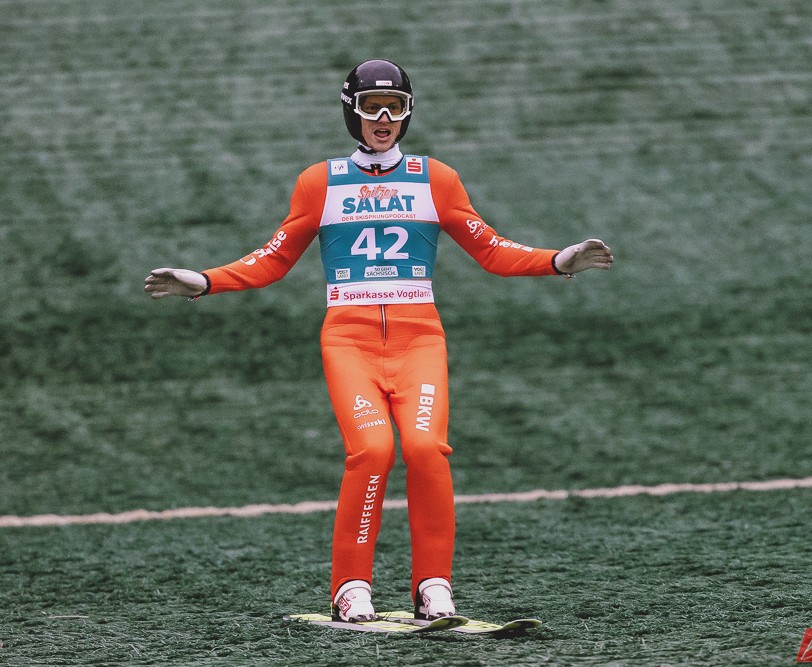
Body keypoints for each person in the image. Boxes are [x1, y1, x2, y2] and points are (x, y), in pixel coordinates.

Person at [144, 59, 613, 622]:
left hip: (420, 340)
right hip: (349, 341)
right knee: (372, 450)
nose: (384, 118)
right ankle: (351, 587)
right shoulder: (319, 182)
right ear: (353, 112)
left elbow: (491, 248)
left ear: (409, 112)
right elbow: (273, 258)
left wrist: (558, 261)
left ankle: (433, 585)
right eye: (372, 107)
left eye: (395, 106)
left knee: (425, 449)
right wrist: (204, 280)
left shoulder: (436, 178)